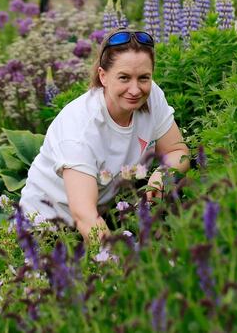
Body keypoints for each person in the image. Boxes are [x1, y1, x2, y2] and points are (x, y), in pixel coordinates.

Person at [20, 28, 189, 243]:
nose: (135, 89)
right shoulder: (80, 128)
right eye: (124, 78)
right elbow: (85, 217)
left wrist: (162, 176)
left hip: (103, 214)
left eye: (144, 78)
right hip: (46, 231)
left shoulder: (152, 96)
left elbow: (177, 150)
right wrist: (121, 268)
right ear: (103, 76)